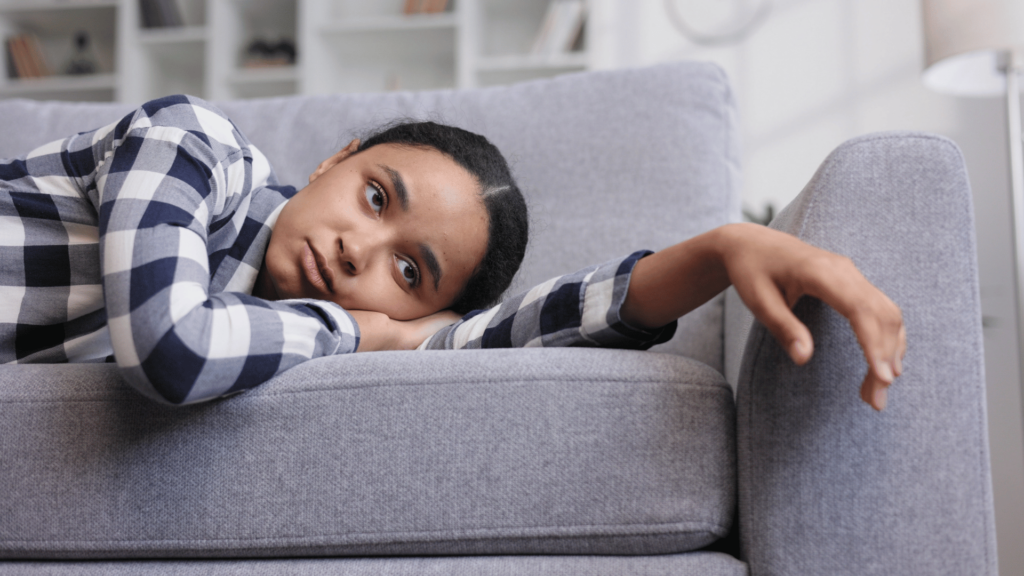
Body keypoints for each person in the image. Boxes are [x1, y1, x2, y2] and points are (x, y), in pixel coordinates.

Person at [0, 95, 905, 410]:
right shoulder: (197, 143)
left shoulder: (353, 329)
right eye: (376, 195)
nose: (361, 251)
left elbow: (539, 322)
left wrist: (722, 248)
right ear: (334, 160)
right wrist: (352, 333)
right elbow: (170, 349)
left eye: (408, 271)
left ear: (423, 310)